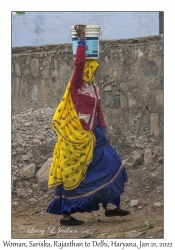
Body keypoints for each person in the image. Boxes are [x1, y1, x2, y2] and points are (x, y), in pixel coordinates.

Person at [46, 24, 130, 226]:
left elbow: (98, 111)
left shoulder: (93, 88)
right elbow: (78, 64)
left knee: (113, 163)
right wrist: (81, 39)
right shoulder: (76, 85)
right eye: (89, 67)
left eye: (92, 67)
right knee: (72, 175)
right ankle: (66, 215)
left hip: (94, 135)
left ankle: (111, 206)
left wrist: (104, 129)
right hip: (75, 139)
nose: (91, 69)